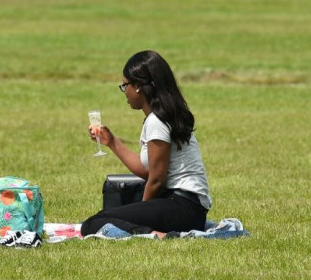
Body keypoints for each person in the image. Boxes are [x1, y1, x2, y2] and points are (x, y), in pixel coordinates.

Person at [80, 50, 212, 239]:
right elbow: (148, 171)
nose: (124, 91)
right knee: (113, 211)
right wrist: (112, 142)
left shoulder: (156, 121)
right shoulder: (163, 115)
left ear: (139, 86)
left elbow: (157, 179)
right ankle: (150, 231)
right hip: (187, 207)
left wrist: (143, 210)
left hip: (183, 207)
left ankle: (154, 235)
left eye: (125, 85)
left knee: (93, 224)